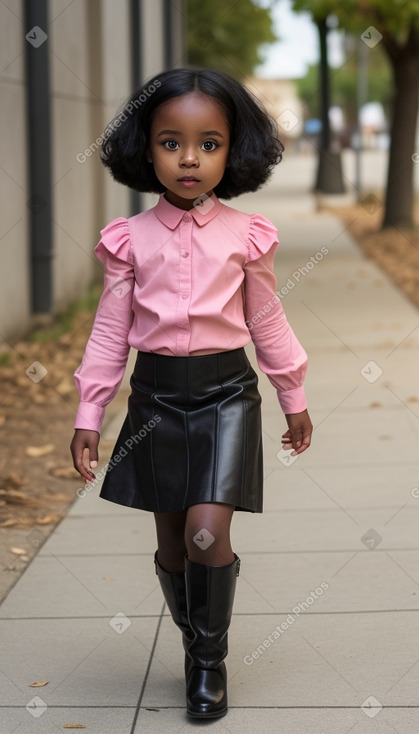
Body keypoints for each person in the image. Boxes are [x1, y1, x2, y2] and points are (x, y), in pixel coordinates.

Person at [70, 67, 313, 720]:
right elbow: (110, 331)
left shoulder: (246, 236)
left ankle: (207, 663)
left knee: (208, 535)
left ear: (233, 151)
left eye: (209, 143)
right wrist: (89, 411)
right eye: (170, 141)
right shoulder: (129, 241)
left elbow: (267, 320)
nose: (189, 157)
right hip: (154, 402)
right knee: (174, 545)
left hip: (226, 395)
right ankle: (193, 635)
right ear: (145, 149)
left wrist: (292, 394)